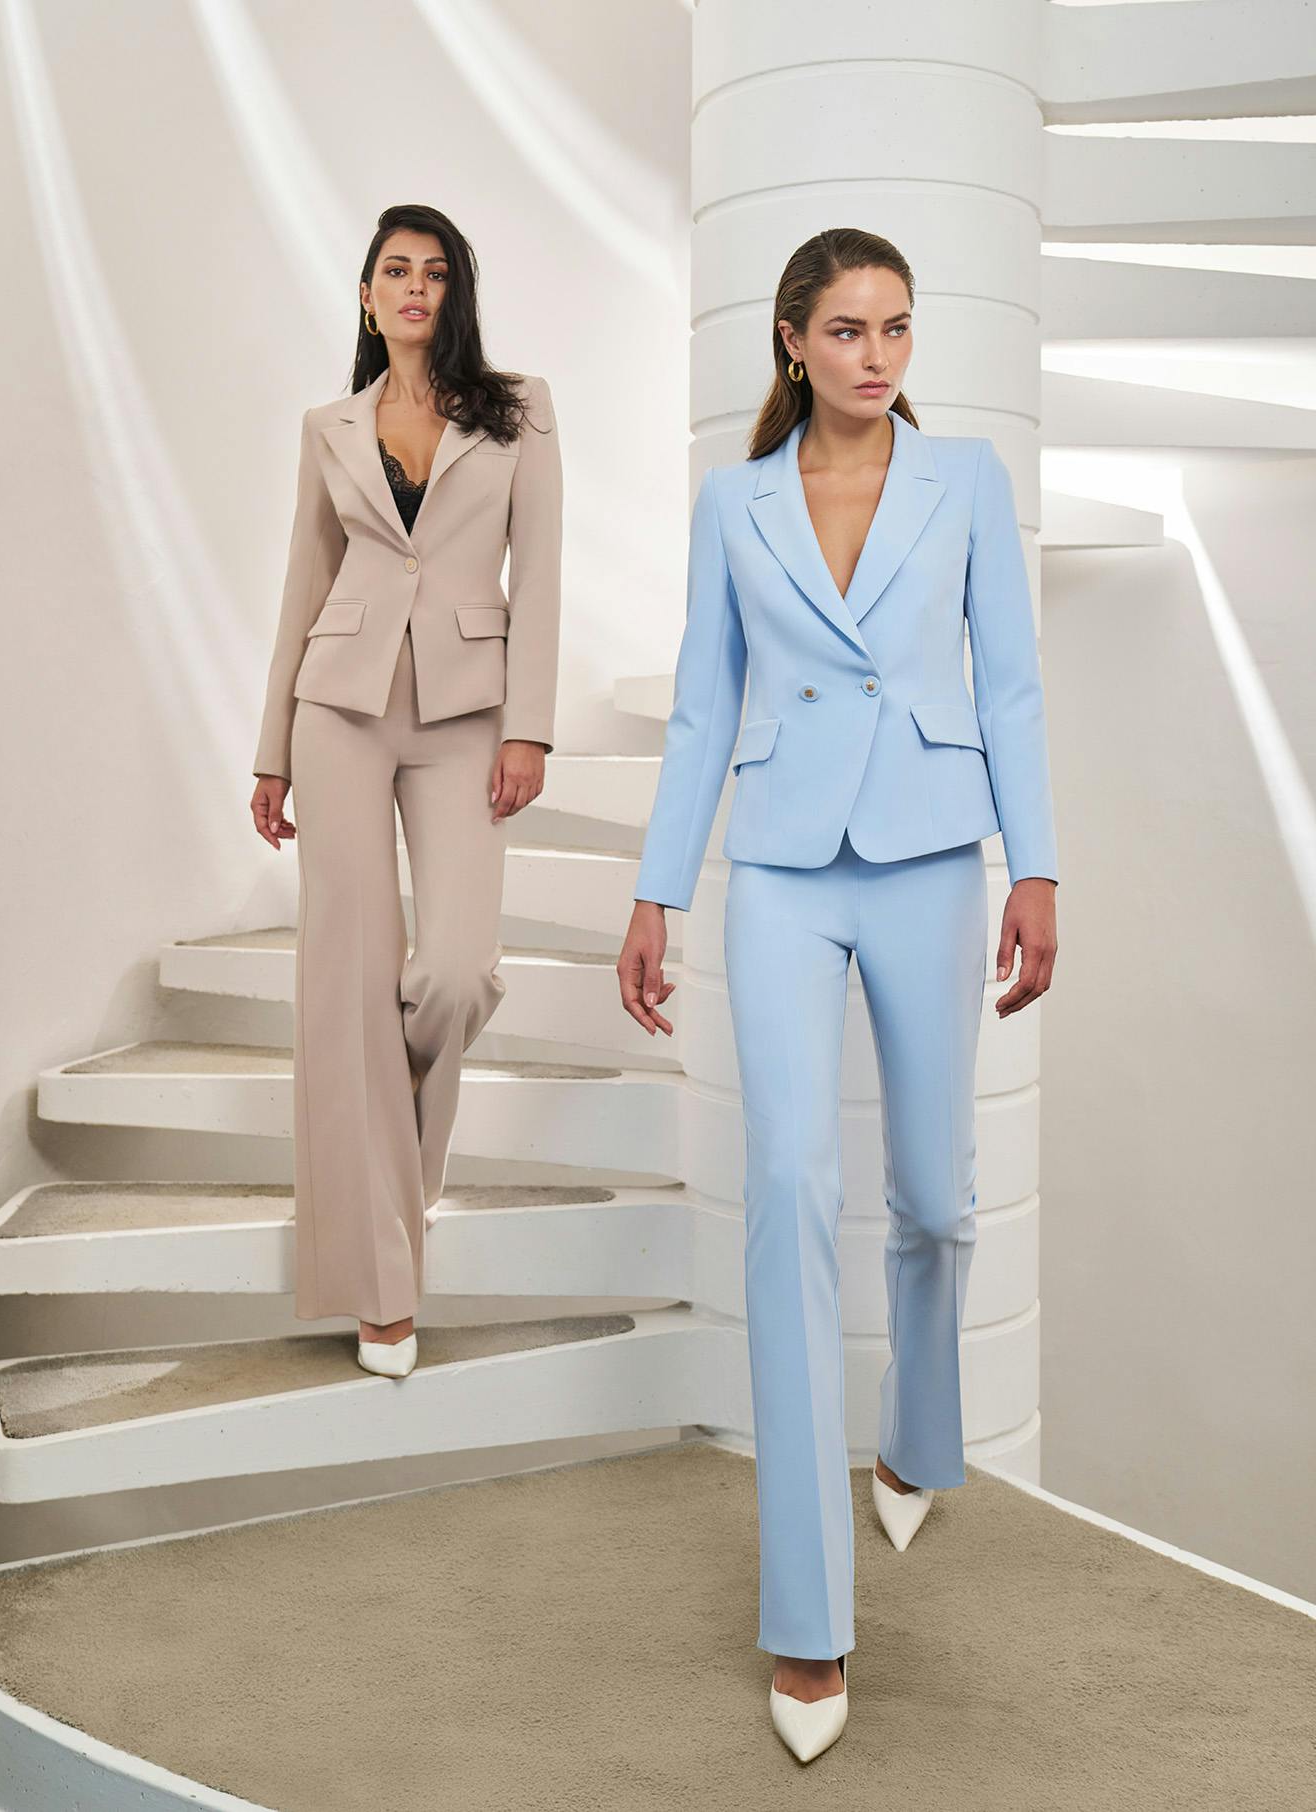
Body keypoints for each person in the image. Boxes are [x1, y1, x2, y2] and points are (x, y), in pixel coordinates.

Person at [616, 228, 1058, 1762]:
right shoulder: (733, 504)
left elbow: (1007, 682)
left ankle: (918, 1437)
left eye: (899, 330)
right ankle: (808, 1624)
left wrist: (1039, 869)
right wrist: (657, 890)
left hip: (935, 855)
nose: (878, 355)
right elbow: (698, 702)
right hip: (788, 867)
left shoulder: (970, 484)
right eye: (850, 330)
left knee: (934, 1200)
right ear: (796, 343)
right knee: (791, 1191)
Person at [249, 204, 562, 1380]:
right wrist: (270, 748)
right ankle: (383, 1289)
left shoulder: (519, 408)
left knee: (452, 974)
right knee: (345, 983)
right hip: (336, 706)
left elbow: (544, 571)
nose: (415, 288)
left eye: (435, 271)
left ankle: (393, 1185)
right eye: (396, 271)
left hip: (466, 713)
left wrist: (528, 725)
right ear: (369, 295)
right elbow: (302, 581)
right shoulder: (327, 425)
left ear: (456, 291)